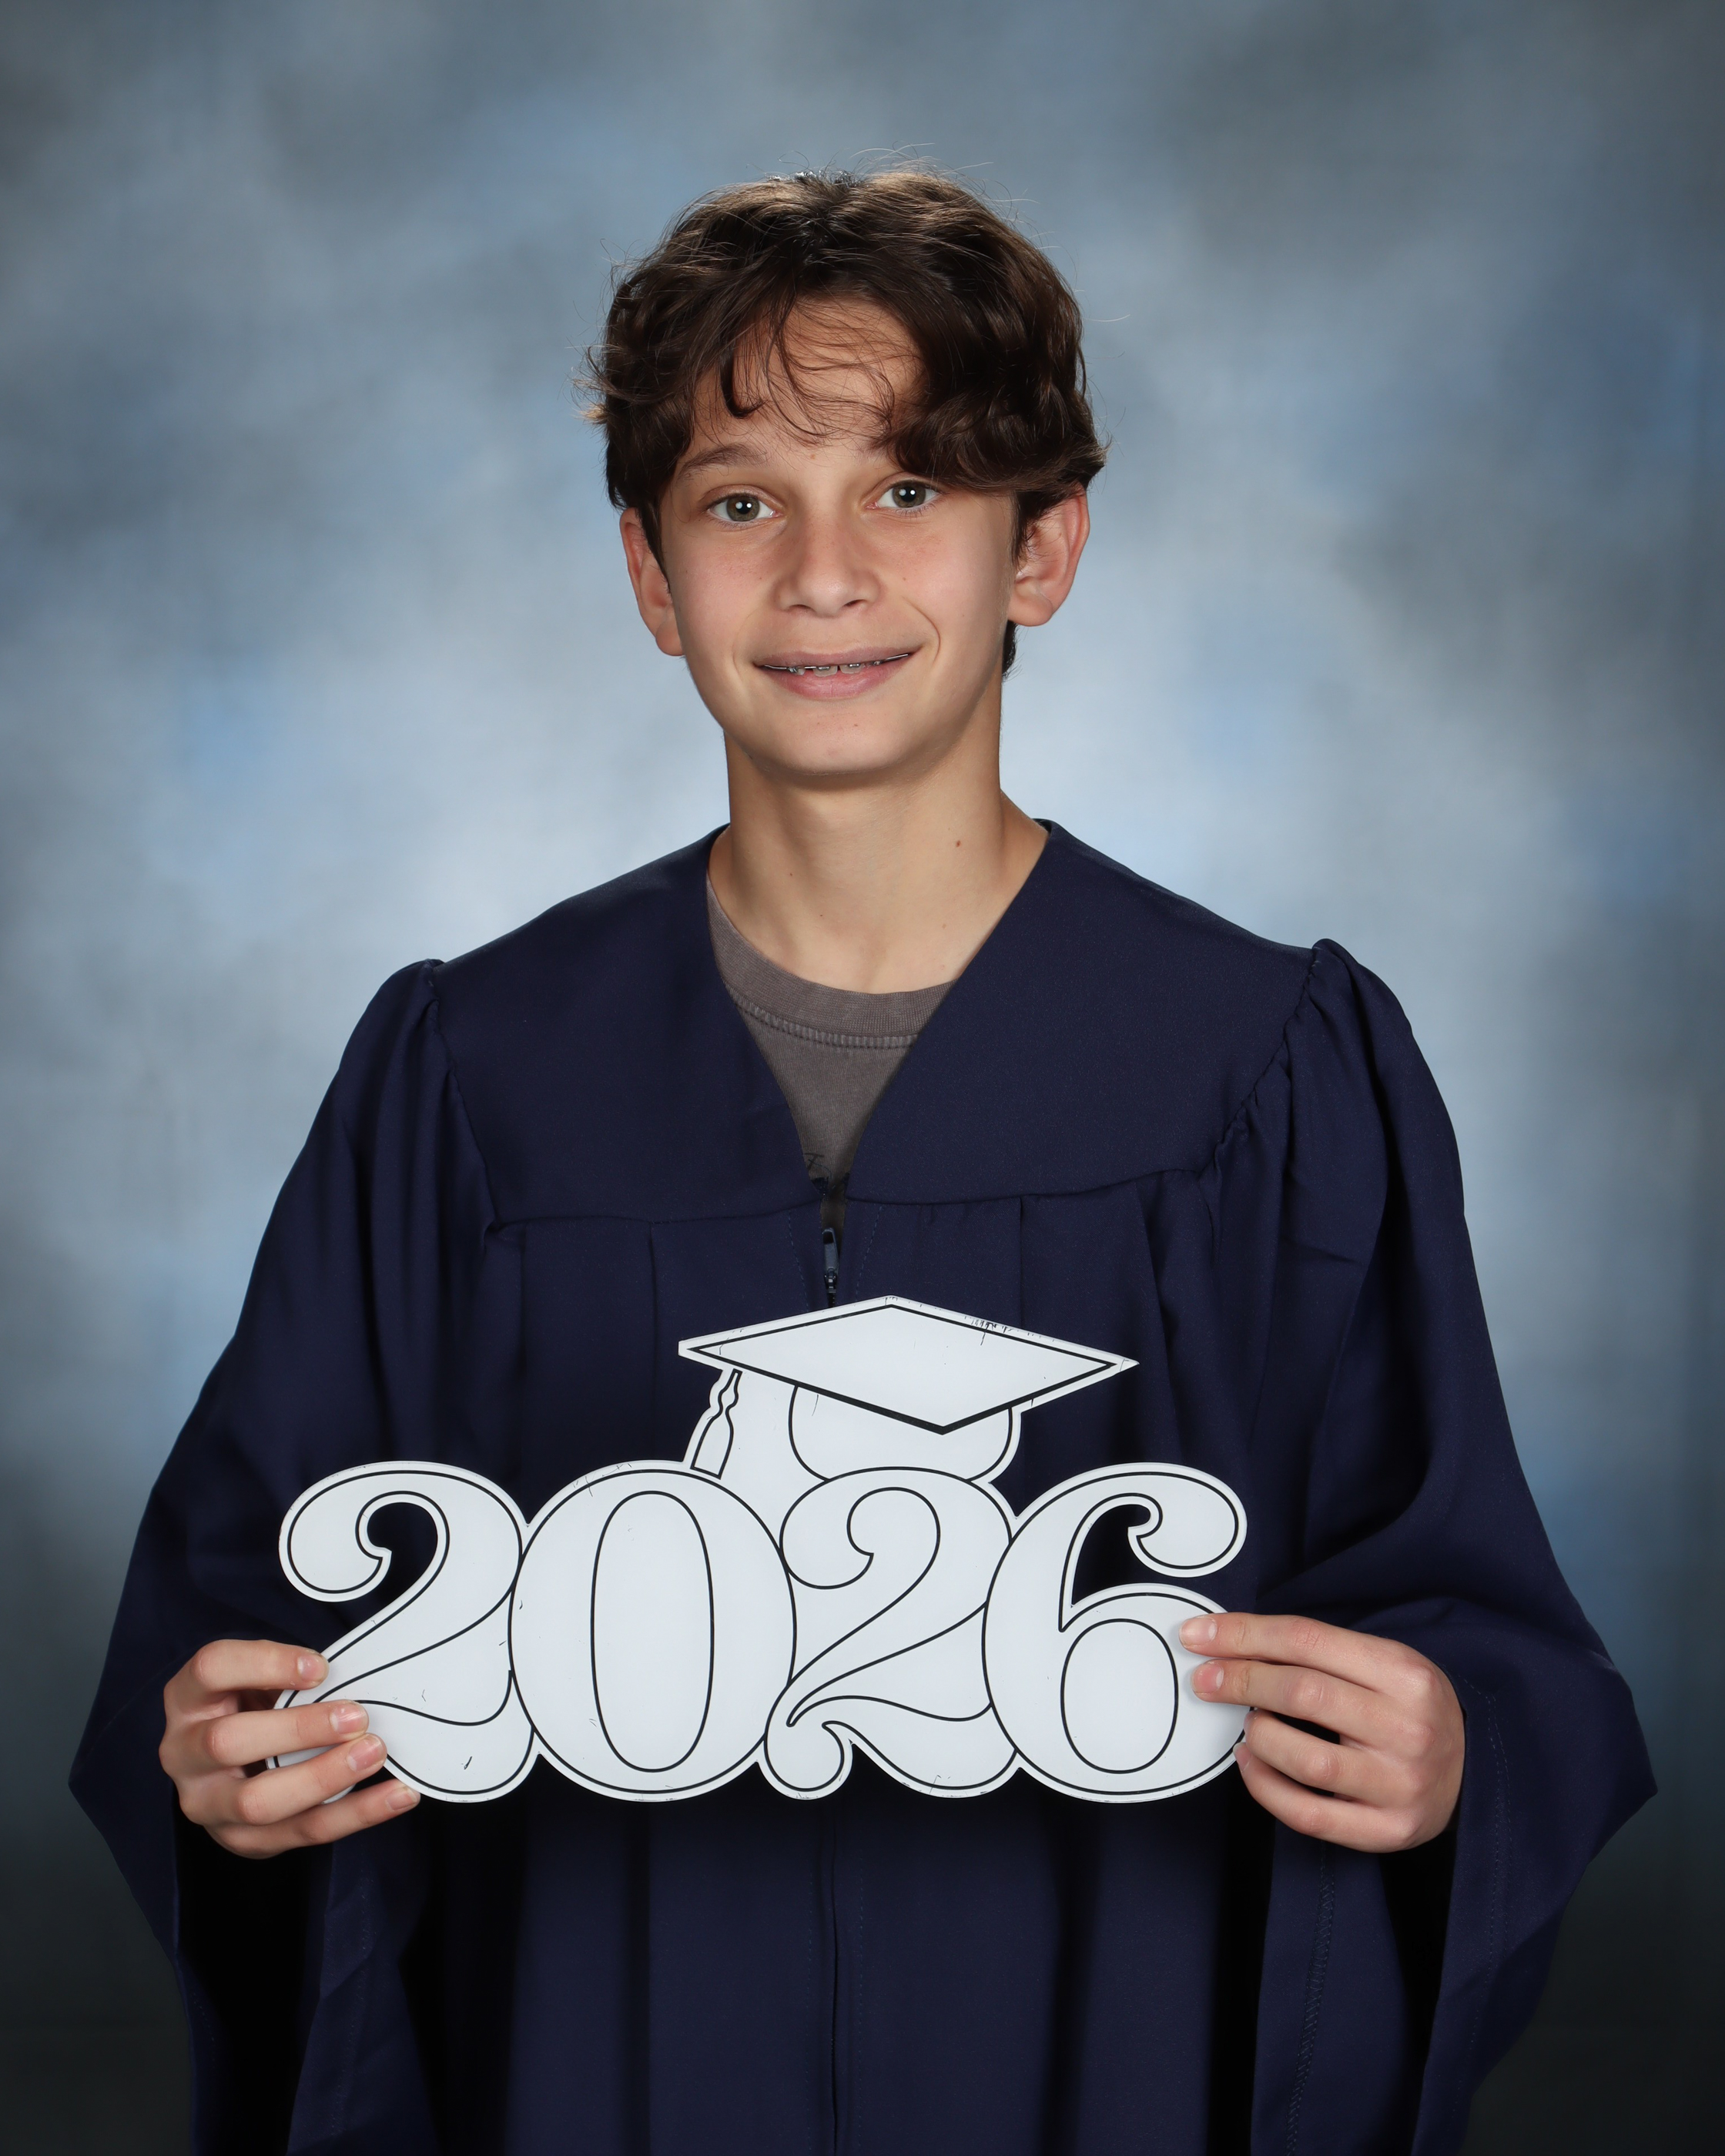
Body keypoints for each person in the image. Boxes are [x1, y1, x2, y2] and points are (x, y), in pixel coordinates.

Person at [74, 169, 1652, 2156]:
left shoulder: (1270, 1069)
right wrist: (232, 1761)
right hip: (590, 2084)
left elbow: (1476, 1619)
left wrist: (1456, 1755)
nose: (825, 575)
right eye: (743, 503)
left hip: (1112, 2078)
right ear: (653, 579)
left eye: (909, 488)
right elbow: (245, 1615)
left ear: (1041, 548)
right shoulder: (471, 1075)